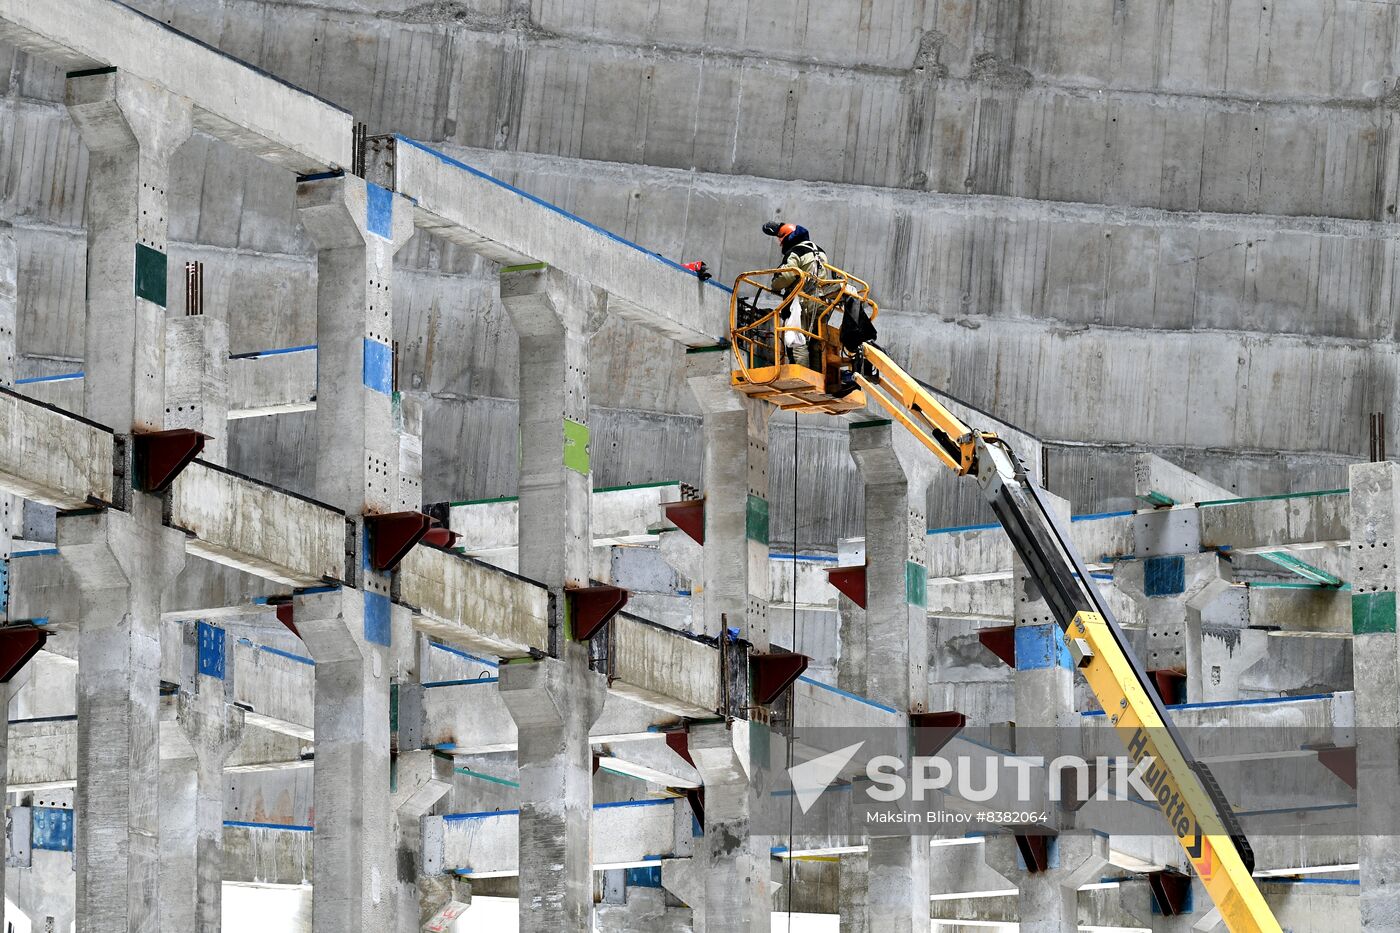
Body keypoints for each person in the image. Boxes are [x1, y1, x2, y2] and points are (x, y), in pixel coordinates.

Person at [762, 221, 829, 369]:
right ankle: (817, 377)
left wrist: (775, 284)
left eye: (781, 239)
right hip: (821, 302)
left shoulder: (795, 251)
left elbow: (786, 276)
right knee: (816, 344)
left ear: (788, 237)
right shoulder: (820, 251)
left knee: (797, 341)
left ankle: (801, 376)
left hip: (802, 303)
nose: (780, 244)